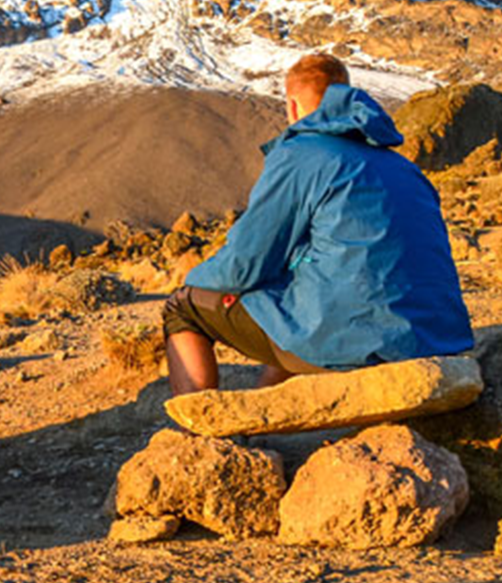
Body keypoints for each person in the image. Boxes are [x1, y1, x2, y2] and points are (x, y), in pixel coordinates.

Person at [164, 52, 473, 397]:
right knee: (292, 300)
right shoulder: (404, 167)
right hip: (436, 338)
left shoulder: (302, 155)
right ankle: (272, 408)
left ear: (293, 106)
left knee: (183, 307)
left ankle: (200, 423)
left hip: (353, 341)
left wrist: (194, 281)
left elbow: (244, 264)